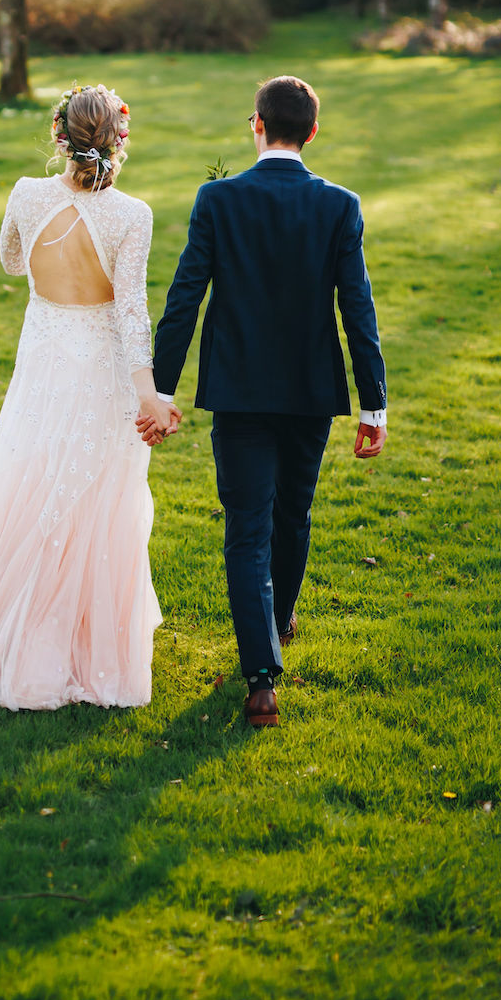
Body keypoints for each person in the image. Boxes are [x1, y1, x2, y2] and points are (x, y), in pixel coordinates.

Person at [0, 85, 172, 711]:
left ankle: (12, 638)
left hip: (45, 362)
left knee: (27, 484)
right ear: (119, 139)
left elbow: (9, 263)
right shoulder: (133, 215)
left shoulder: (27, 194)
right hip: (102, 371)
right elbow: (131, 312)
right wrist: (149, 396)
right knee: (94, 498)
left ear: (60, 136)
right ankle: (81, 652)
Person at [141, 74, 386, 728]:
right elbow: (356, 306)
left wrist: (159, 387)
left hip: (240, 393)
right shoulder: (339, 204)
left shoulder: (218, 199)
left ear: (256, 124)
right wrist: (373, 404)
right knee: (292, 514)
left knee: (246, 528)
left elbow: (184, 298)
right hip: (311, 393)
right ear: (311, 132)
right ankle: (276, 623)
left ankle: (260, 676)